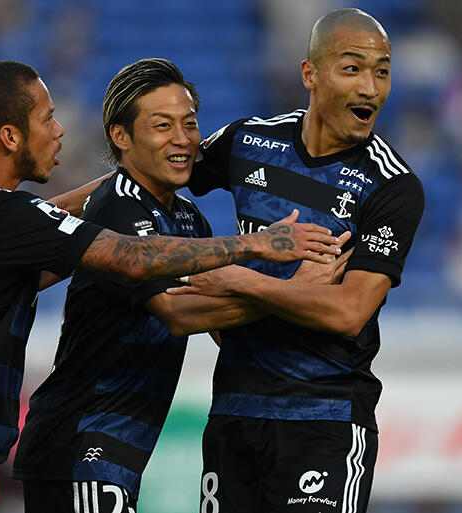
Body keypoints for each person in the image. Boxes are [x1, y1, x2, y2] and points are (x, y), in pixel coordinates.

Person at [0, 60, 341, 513]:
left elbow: (55, 222)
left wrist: (142, 166)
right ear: (10, 136)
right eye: (47, 119)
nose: (59, 130)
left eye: (188, 124)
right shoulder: (6, 217)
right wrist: (263, 252)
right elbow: (135, 262)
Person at [11, 58, 352, 513]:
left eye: (189, 123)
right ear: (120, 136)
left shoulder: (189, 219)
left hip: (116, 452)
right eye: (162, 125)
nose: (182, 138)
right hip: (79, 443)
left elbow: (221, 323)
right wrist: (293, 290)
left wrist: (299, 303)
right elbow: (178, 313)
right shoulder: (116, 207)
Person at [167, 8, 425, 512]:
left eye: (382, 71)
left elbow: (349, 311)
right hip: (234, 411)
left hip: (325, 419)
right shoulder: (248, 142)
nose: (370, 87)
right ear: (310, 74)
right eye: (352, 68)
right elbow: (153, 175)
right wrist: (65, 217)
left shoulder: (392, 186)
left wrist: (239, 279)